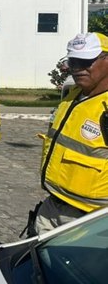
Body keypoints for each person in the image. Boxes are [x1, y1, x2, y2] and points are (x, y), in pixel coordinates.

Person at [34, 32, 108, 234]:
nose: (78, 69)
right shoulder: (72, 96)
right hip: (53, 204)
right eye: (73, 61)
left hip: (89, 217)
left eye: (87, 61)